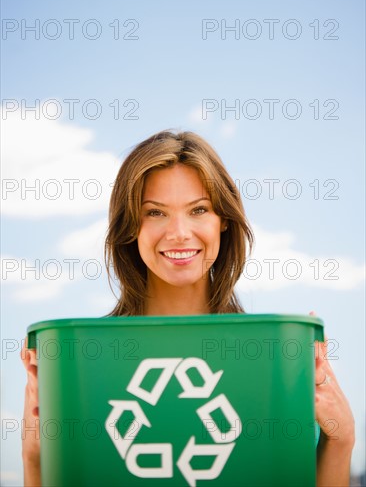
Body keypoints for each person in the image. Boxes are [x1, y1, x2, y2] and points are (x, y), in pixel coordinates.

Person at [22, 130, 355, 486]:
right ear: (131, 227)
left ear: (223, 219)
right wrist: (35, 455)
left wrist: (341, 439)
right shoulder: (84, 362)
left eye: (198, 209)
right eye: (155, 213)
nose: (179, 232)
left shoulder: (269, 359)